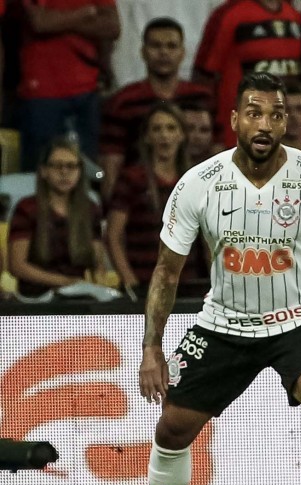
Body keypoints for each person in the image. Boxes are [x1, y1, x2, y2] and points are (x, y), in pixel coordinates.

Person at [120, 72, 301, 485]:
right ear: (234, 119)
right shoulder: (199, 183)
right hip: (223, 323)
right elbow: (167, 271)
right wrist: (151, 347)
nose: (264, 124)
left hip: (299, 318)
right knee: (172, 427)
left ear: (286, 122)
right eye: (253, 113)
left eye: (275, 115)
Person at [100, 18, 216, 200]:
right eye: (156, 46)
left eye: (171, 46)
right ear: (143, 52)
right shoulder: (122, 102)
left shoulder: (204, 98)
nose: (163, 53)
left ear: (182, 52)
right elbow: (111, 164)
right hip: (138, 199)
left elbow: (218, 152)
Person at [105, 104, 209, 299]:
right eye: (157, 129)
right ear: (147, 137)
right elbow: (113, 235)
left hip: (187, 284)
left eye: (171, 128)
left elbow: (208, 239)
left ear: (182, 135)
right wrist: (131, 283)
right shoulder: (131, 178)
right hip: (143, 283)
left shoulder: (196, 179)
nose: (164, 135)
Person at [16, 0, 120, 169]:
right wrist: (84, 14)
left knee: (90, 172)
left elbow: (112, 27)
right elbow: (40, 23)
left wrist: (59, 20)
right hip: (42, 92)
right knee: (42, 170)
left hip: (88, 90)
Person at [193, 0, 301, 147]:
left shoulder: (294, 16)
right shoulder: (228, 14)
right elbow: (204, 76)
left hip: (281, 129)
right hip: (238, 131)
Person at [7, 138, 108, 299]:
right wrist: (65, 282)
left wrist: (98, 281)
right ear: (44, 171)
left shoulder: (90, 209)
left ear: (80, 171)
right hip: (36, 299)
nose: (64, 172)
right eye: (57, 165)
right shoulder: (26, 208)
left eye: (71, 166)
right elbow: (17, 266)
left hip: (78, 297)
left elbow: (97, 262)